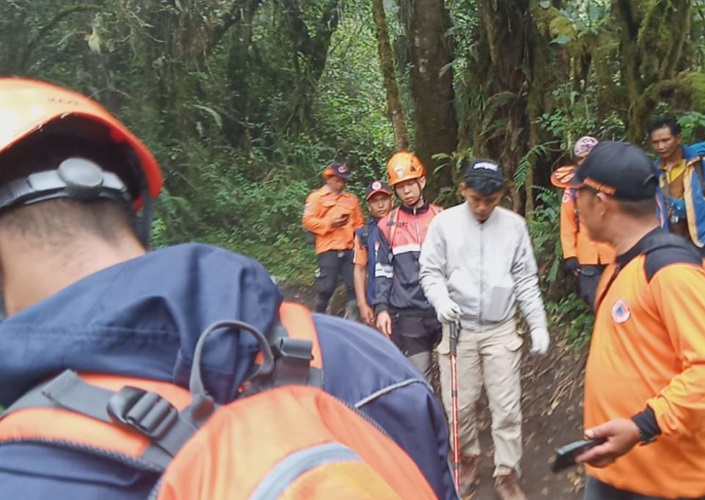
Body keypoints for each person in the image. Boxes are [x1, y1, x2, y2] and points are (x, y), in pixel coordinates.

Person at [0, 78, 455, 499]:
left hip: (345, 257)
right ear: (137, 214)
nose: (339, 183)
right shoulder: (370, 357)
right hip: (326, 262)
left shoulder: (20, 470)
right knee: (323, 292)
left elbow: (358, 229)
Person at [562, 141, 705, 499]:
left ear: (601, 202)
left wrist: (642, 426)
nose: (574, 205)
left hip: (667, 483)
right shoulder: (621, 263)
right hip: (617, 470)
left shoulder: (671, 270)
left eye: (578, 194)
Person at [420, 158, 550, 500]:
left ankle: (507, 471)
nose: (481, 207)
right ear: (464, 190)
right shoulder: (444, 224)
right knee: (459, 406)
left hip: (500, 329)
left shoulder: (514, 226)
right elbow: (430, 272)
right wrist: (439, 299)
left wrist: (537, 324)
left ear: (502, 196)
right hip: (458, 329)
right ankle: (468, 458)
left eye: (490, 201)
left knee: (506, 406)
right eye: (476, 199)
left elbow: (525, 279)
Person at [374, 151, 442, 377]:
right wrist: (381, 308)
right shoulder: (387, 225)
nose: (406, 191)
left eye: (410, 184)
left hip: (442, 309)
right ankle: (425, 413)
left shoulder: (441, 218)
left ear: (421, 181)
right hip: (409, 314)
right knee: (419, 376)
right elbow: (382, 270)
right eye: (400, 186)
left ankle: (451, 414)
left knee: (454, 376)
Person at [649, 116, 705, 278]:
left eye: (666, 140)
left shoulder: (699, 163)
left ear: (678, 138)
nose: (661, 146)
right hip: (670, 239)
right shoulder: (655, 170)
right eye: (656, 142)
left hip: (700, 236)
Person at [551, 136, 615, 309]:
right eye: (581, 158)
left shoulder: (613, 184)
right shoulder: (571, 190)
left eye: (590, 157)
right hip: (586, 254)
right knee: (592, 298)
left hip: (613, 253)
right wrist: (570, 255)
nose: (585, 162)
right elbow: (568, 223)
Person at [302, 161, 364, 316]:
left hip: (349, 248)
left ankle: (352, 321)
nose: (340, 184)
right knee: (326, 287)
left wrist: (360, 242)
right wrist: (330, 223)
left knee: (354, 286)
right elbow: (308, 221)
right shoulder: (316, 197)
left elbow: (359, 223)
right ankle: (319, 316)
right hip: (328, 247)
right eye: (337, 180)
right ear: (328, 178)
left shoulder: (351, 200)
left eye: (343, 180)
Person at [353, 180, 393, 326]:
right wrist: (362, 304)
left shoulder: (403, 225)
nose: (380, 205)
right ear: (369, 206)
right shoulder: (364, 234)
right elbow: (359, 269)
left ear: (392, 201)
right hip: (375, 299)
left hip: (405, 299)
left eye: (384, 199)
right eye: (375, 201)